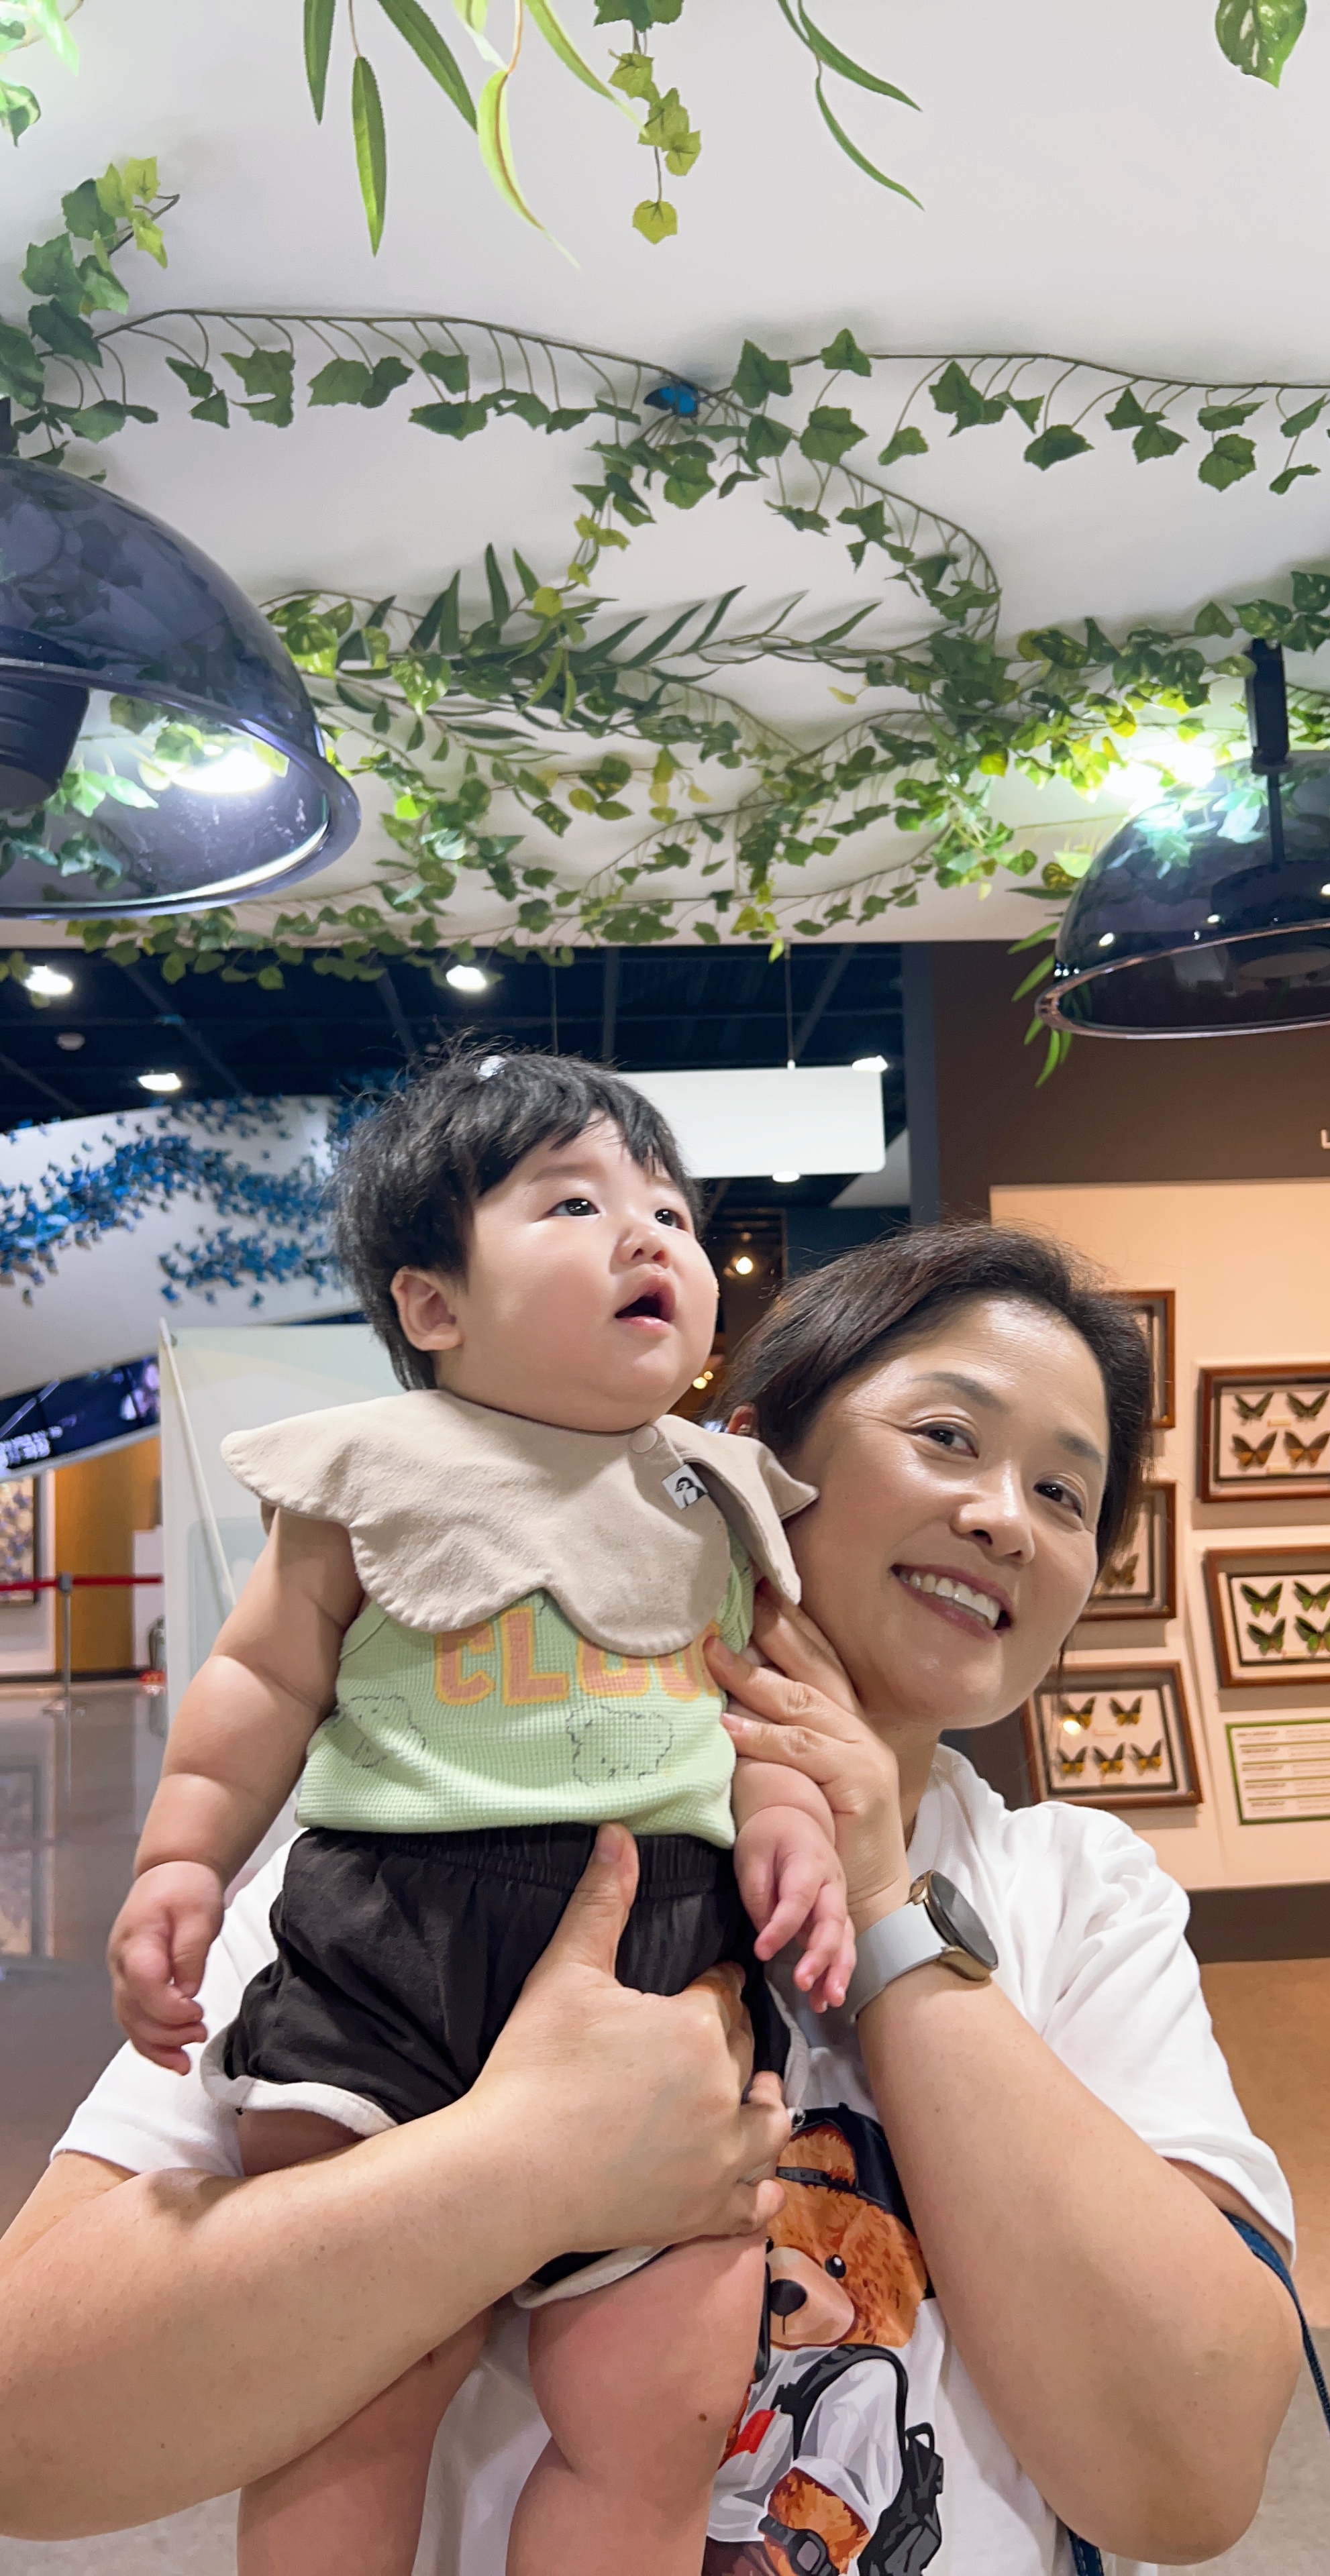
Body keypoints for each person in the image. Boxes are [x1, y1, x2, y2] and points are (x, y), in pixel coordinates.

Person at [0, 1220, 1300, 2574]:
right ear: (741, 1468)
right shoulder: (407, 1856)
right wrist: (522, 2167)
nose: (1005, 1521)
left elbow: (1189, 2480)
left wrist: (883, 1905)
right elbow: (28, 2432)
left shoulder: (1083, 1896)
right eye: (948, 1438)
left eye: (1067, 1496)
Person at [103, 1049, 850, 2576]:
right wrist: (183, 1856)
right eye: (574, 1204)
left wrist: (790, 1822)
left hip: (662, 1959)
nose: (650, 1235)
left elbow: (755, 1701)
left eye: (670, 1211)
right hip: (388, 1951)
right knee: (344, 2396)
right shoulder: (369, 1475)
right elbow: (260, 1679)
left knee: (658, 2410)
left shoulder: (714, 1494)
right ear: (433, 1306)